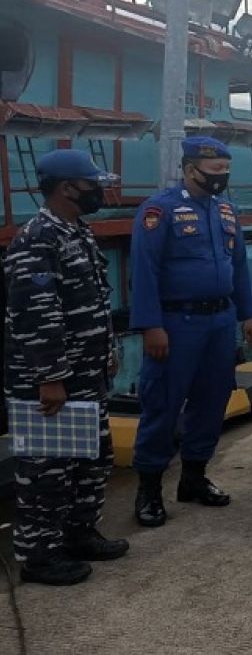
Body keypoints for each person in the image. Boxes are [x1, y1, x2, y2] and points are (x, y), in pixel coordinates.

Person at [4, 151, 129, 585]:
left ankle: (78, 534)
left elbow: (95, 300)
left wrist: (108, 348)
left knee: (91, 460)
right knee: (46, 471)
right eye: (92, 183)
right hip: (52, 381)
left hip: (86, 374)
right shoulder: (37, 239)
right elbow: (37, 315)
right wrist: (51, 378)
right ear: (67, 188)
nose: (99, 190)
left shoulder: (77, 232)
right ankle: (39, 557)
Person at [129, 136, 252, 527]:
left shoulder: (227, 211)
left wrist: (248, 314)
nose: (221, 178)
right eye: (214, 171)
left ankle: (194, 477)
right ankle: (149, 490)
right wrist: (151, 325)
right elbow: (145, 270)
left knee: (212, 398)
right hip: (176, 323)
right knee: (164, 402)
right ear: (190, 170)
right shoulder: (160, 211)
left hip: (220, 322)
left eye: (225, 171)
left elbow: (239, 265)